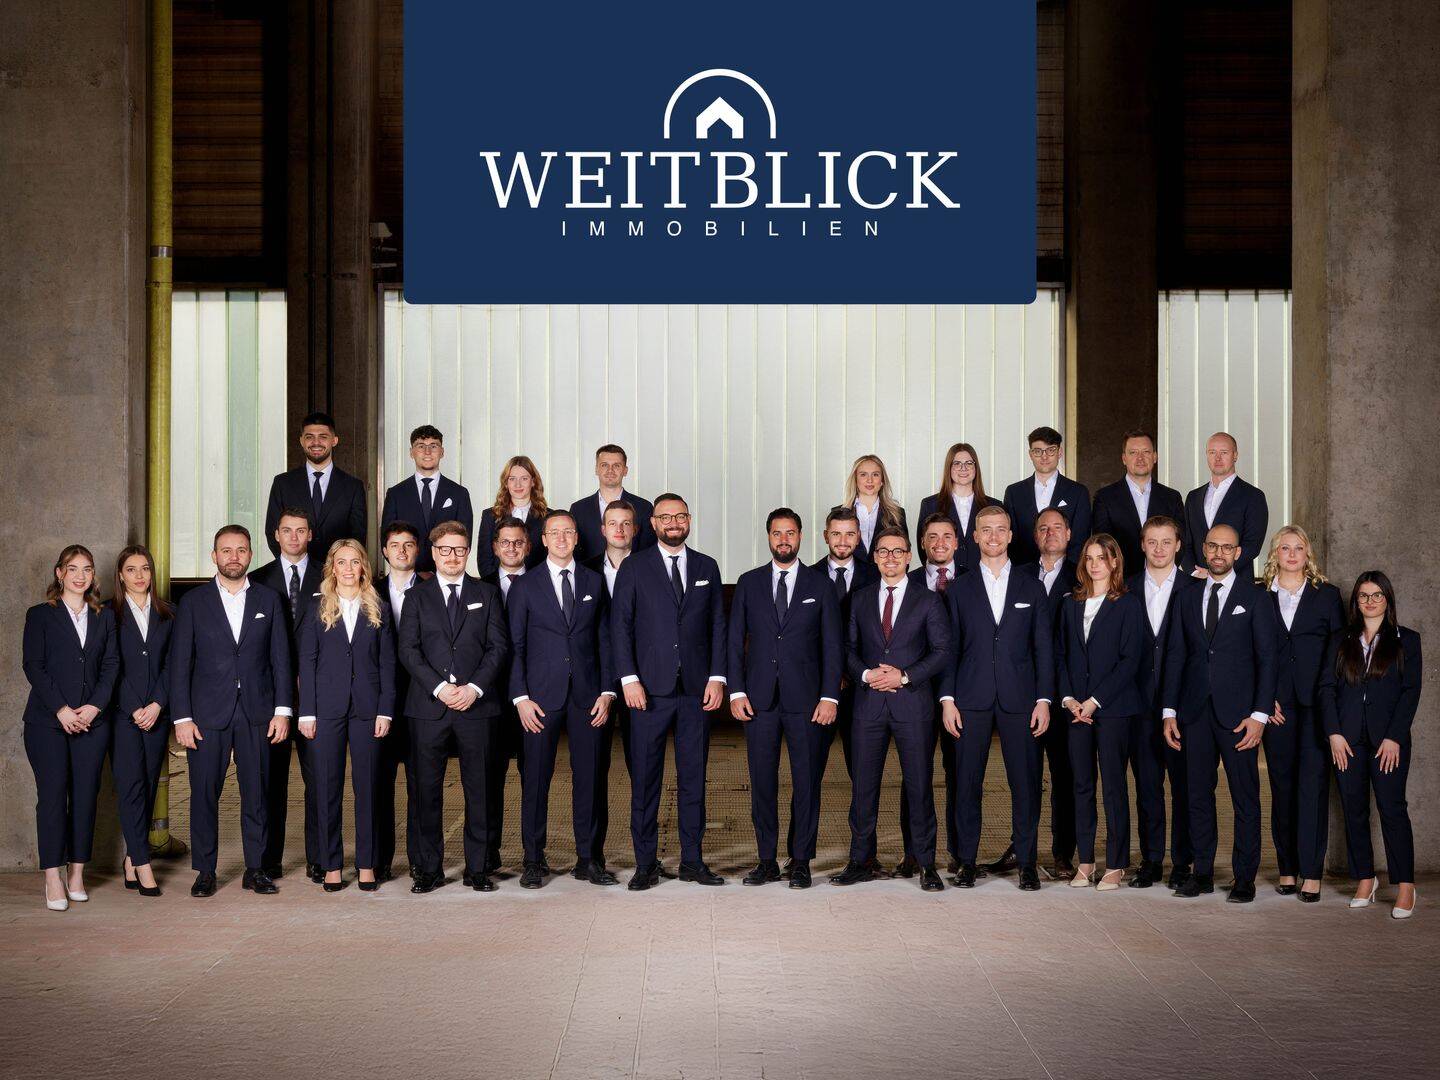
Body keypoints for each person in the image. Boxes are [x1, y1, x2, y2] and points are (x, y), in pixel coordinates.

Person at [611, 493, 727, 889]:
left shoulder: (707, 566)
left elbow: (718, 626)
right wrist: (629, 679)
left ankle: (692, 860)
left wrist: (717, 677)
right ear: (653, 523)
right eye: (666, 517)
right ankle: (646, 863)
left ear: (689, 520)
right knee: (646, 781)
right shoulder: (634, 567)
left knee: (694, 778)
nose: (673, 523)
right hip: (648, 692)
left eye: (680, 516)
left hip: (696, 691)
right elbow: (620, 626)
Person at [170, 525, 293, 897]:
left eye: (241, 550)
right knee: (204, 794)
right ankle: (205, 871)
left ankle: (256, 869)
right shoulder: (193, 602)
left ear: (251, 555)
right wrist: (182, 718)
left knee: (257, 794)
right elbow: (180, 663)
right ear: (214, 556)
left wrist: (282, 711)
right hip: (207, 715)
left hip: (258, 712)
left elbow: (281, 660)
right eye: (226, 550)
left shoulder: (269, 600)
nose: (234, 557)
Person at [1162, 524, 1278, 903]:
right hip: (1194, 712)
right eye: (1213, 546)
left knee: (1245, 797)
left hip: (1240, 716)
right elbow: (1176, 655)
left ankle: (1244, 878)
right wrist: (1169, 711)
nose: (1219, 553)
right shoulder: (1186, 596)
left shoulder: (1255, 598)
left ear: (1238, 553)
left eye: (1227, 548)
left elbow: (1268, 659)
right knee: (1197, 795)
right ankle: (1203, 873)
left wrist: (1259, 715)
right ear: (1203, 548)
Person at [830, 527, 950, 892]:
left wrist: (904, 676)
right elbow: (847, 649)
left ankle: (925, 863)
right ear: (875, 557)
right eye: (883, 551)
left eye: (898, 551)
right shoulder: (860, 598)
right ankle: (861, 860)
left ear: (910, 556)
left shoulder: (928, 600)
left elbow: (942, 651)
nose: (891, 558)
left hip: (913, 704)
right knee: (863, 787)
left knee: (919, 785)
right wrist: (867, 675)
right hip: (868, 705)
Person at [941, 506, 1054, 891]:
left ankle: (1027, 861)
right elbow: (951, 649)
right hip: (969, 699)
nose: (993, 536)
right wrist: (947, 699)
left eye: (1000, 529)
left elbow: (1043, 649)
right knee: (966, 783)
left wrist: (1044, 700)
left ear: (1010, 535)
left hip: (1021, 699)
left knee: (1025, 783)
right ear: (974, 537)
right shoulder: (959, 588)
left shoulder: (1031, 586)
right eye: (985, 530)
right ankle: (966, 861)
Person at [728, 509, 842, 890]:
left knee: (806, 782)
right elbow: (734, 641)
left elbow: (832, 647)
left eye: (790, 533)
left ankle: (801, 860)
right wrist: (737, 691)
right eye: (777, 533)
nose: (783, 540)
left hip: (807, 702)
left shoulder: (820, 585)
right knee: (762, 782)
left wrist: (829, 697)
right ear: (768, 537)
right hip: (758, 701)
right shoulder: (748, 583)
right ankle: (766, 860)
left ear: (801, 536)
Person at [398, 520, 510, 893]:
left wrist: (474, 688)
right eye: (445, 549)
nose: (452, 556)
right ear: (433, 553)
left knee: (480, 790)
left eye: (459, 549)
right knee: (425, 792)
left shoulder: (487, 593)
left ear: (467, 552)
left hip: (477, 708)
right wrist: (440, 688)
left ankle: (478, 868)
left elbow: (498, 647)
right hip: (428, 708)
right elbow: (408, 650)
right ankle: (428, 869)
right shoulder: (416, 597)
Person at [507, 509, 616, 888]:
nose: (561, 538)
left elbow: (605, 640)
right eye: (554, 532)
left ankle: (589, 859)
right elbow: (515, 646)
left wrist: (607, 691)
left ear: (577, 537)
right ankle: (534, 860)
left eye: (568, 532)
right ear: (543, 539)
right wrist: (520, 696)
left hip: (588, 697)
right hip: (539, 699)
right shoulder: (525, 586)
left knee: (591, 779)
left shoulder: (594, 582)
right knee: (536, 780)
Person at [22, 545, 119, 911]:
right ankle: (52, 876)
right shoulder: (40, 615)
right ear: (59, 573)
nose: (80, 576)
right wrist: (62, 710)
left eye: (87, 569)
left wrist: (93, 708)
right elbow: (33, 665)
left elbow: (111, 665)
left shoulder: (104, 617)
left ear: (93, 575)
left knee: (84, 796)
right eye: (73, 568)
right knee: (52, 797)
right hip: (47, 723)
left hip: (92, 723)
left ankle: (76, 873)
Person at [296, 539, 395, 892]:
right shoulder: (316, 607)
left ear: (363, 567)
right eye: (342, 562)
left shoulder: (379, 607)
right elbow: (306, 662)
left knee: (368, 789)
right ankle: (331, 865)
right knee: (326, 788)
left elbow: (387, 664)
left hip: (368, 709)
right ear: (332, 568)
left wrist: (386, 710)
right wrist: (306, 712)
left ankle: (367, 864)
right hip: (325, 709)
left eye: (355, 562)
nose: (349, 568)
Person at [1321, 573, 1421, 920]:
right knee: (1354, 809)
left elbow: (1410, 692)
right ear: (1356, 602)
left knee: (1392, 808)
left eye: (1377, 595)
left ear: (1387, 599)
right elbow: (1326, 688)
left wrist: (1395, 737)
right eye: (1363, 596)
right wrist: (1334, 733)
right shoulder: (1340, 640)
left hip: (1387, 741)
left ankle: (1405, 885)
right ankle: (1366, 878)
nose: (1370, 601)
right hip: (1347, 740)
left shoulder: (1407, 640)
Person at [1261, 526, 1345, 901]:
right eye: (1285, 548)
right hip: (1276, 708)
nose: (1292, 554)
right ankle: (1287, 868)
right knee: (1282, 788)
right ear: (1275, 553)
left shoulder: (1327, 595)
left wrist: (1330, 702)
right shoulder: (1260, 594)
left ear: (1307, 553)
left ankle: (1311, 872)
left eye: (1299, 548)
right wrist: (1264, 699)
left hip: (1316, 705)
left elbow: (1339, 655)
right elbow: (1249, 650)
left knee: (1312, 787)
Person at [1057, 535, 1144, 890]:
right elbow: (1061, 655)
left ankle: (1117, 863)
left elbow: (1130, 661)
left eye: (1102, 558)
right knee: (1081, 786)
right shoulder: (1070, 604)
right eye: (1089, 558)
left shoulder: (1128, 604)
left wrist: (1095, 700)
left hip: (1113, 709)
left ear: (1115, 562)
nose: (1095, 564)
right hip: (1076, 710)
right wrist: (1069, 699)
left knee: (1113, 787)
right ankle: (1086, 861)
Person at [1002, 506, 1078, 880]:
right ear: (1034, 537)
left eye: (1057, 527)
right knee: (1025, 777)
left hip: (1067, 693)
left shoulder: (1083, 574)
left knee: (1065, 777)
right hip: (1022, 691)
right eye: (1043, 528)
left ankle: (1063, 852)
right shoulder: (1016, 575)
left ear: (1069, 534)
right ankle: (1022, 846)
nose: (1050, 533)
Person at [806, 506, 882, 874]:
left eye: (850, 534)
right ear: (826, 536)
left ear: (859, 537)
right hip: (819, 693)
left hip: (864, 691)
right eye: (836, 534)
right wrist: (829, 676)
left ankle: (864, 856)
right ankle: (801, 856)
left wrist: (855, 672)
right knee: (808, 775)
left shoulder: (875, 574)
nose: (842, 540)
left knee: (864, 778)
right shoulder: (807, 576)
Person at [251, 508, 322, 882]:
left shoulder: (329, 574)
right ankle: (267, 860)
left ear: (310, 535)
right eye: (287, 530)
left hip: (316, 694)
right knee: (269, 781)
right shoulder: (256, 579)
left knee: (319, 780)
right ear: (275, 535)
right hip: (270, 696)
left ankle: (320, 859)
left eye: (300, 530)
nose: (294, 537)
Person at [1128, 515, 1198, 889]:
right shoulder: (1125, 587)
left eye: (1166, 541)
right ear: (1142, 544)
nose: (1159, 549)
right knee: (1147, 787)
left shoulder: (1196, 588)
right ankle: (1151, 860)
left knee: (1184, 788)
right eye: (1152, 541)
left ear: (1178, 546)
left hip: (1184, 705)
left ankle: (1183, 862)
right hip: (1138, 704)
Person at [899, 512, 963, 876]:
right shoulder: (903, 580)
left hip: (961, 693)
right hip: (914, 691)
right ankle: (913, 853)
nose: (939, 543)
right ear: (921, 543)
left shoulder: (972, 581)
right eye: (932, 537)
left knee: (959, 774)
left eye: (947, 536)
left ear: (957, 542)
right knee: (914, 774)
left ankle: (958, 852)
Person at [111, 545, 173, 897]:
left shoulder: (169, 613)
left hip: (157, 715)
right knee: (130, 786)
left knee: (148, 785)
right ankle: (143, 862)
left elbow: (173, 664)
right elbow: (110, 666)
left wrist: (157, 704)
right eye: (131, 569)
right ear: (121, 575)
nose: (139, 576)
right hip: (124, 716)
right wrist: (135, 707)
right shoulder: (107, 613)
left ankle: (131, 858)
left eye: (145, 568)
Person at [585, 499, 639, 867]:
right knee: (594, 771)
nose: (619, 529)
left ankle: (643, 857)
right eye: (612, 523)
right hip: (595, 682)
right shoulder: (585, 570)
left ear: (635, 529)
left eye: (626, 523)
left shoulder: (650, 566)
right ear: (602, 529)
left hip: (640, 680)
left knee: (642, 770)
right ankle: (592, 857)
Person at [375, 521, 426, 882]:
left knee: (421, 786)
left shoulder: (431, 589)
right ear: (385, 551)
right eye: (395, 545)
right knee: (379, 784)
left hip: (420, 700)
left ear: (417, 550)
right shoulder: (367, 590)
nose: (402, 551)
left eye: (409, 544)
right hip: (379, 703)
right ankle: (379, 861)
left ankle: (420, 862)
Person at [480, 517, 531, 876]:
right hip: (491, 699)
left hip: (531, 698)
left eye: (518, 542)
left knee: (534, 780)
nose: (511, 548)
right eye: (505, 542)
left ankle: (533, 856)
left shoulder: (543, 582)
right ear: (495, 547)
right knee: (488, 780)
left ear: (528, 546)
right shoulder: (478, 587)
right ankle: (488, 854)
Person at [264, 411, 367, 560]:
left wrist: (337, 568)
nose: (316, 443)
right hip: (296, 571)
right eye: (309, 437)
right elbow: (272, 532)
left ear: (334, 440)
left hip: (337, 572)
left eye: (323, 437)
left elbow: (357, 538)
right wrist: (295, 566)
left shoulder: (353, 487)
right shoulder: (283, 483)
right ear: (301, 441)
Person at [379, 425, 474, 574]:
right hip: (408, 577)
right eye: (421, 446)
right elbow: (387, 541)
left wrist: (440, 573)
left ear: (442, 452)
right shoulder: (395, 494)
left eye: (433, 446)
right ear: (411, 452)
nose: (427, 451)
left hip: (446, 575)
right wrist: (409, 572)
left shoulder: (459, 493)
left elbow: (465, 539)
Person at [1090, 430, 1185, 576]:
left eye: (1146, 452)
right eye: (1133, 452)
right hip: (1121, 581)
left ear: (1155, 457)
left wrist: (1162, 573)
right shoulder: (1105, 498)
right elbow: (1102, 545)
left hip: (1163, 580)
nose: (1140, 458)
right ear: (1124, 458)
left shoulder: (1172, 497)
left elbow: (1181, 542)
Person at [1183, 432, 1268, 581]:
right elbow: (1185, 542)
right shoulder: (1193, 497)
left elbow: (1252, 546)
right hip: (1197, 583)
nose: (1218, 458)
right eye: (1212, 452)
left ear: (1235, 455)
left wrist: (1216, 573)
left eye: (1224, 452)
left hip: (1237, 583)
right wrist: (1194, 572)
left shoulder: (1253, 496)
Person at [1003, 425, 1091, 566]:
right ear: (1030, 454)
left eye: (1050, 450)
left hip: (1067, 572)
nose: (1044, 456)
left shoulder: (1078, 492)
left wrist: (1068, 573)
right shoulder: (1014, 492)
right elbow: (1011, 540)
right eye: (1038, 451)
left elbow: (1080, 539)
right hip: (1023, 572)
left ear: (1059, 452)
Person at [914, 442, 1001, 574]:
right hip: (945, 578)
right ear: (949, 468)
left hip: (983, 577)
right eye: (957, 463)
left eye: (969, 463)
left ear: (976, 468)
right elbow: (924, 548)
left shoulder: (994, 506)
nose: (963, 468)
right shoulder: (930, 505)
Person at [569, 444, 656, 561]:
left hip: (634, 572)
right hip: (588, 572)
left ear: (625, 471)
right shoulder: (578, 509)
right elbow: (574, 551)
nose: (610, 470)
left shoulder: (644, 507)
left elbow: (648, 550)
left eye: (616, 465)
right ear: (596, 469)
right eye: (604, 465)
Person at [476, 455, 547, 577]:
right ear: (506, 483)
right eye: (512, 479)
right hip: (497, 585)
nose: (517, 485)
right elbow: (484, 560)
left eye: (524, 478)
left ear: (533, 482)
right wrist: (495, 586)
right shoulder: (490, 516)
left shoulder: (548, 517)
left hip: (537, 584)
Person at [843, 454, 907, 564]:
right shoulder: (839, 513)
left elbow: (903, 556)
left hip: (885, 575)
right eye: (863, 475)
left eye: (875, 474)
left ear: (882, 480)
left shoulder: (897, 514)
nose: (870, 480)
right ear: (855, 479)